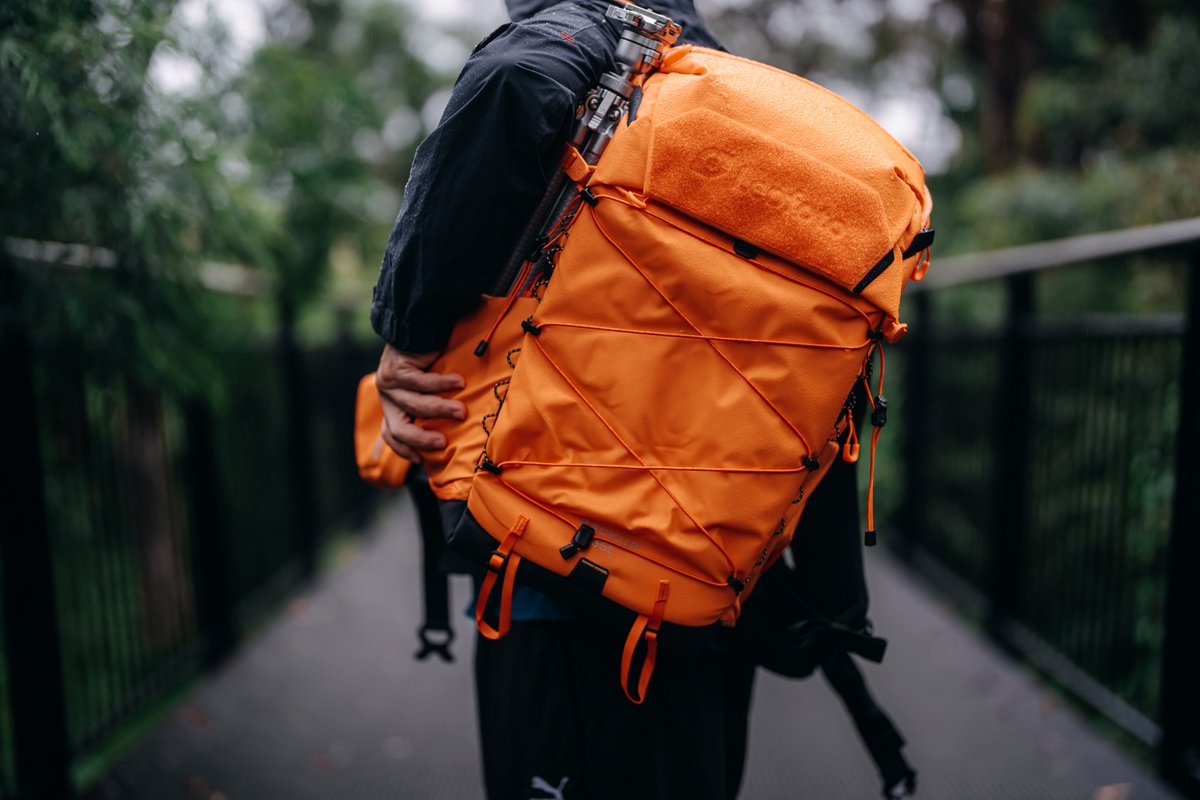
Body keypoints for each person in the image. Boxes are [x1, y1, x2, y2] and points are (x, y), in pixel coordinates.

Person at [370, 3, 752, 798]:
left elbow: (515, 80)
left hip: (553, 579)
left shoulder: (581, 36)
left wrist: (407, 333)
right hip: (706, 596)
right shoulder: (739, 90)